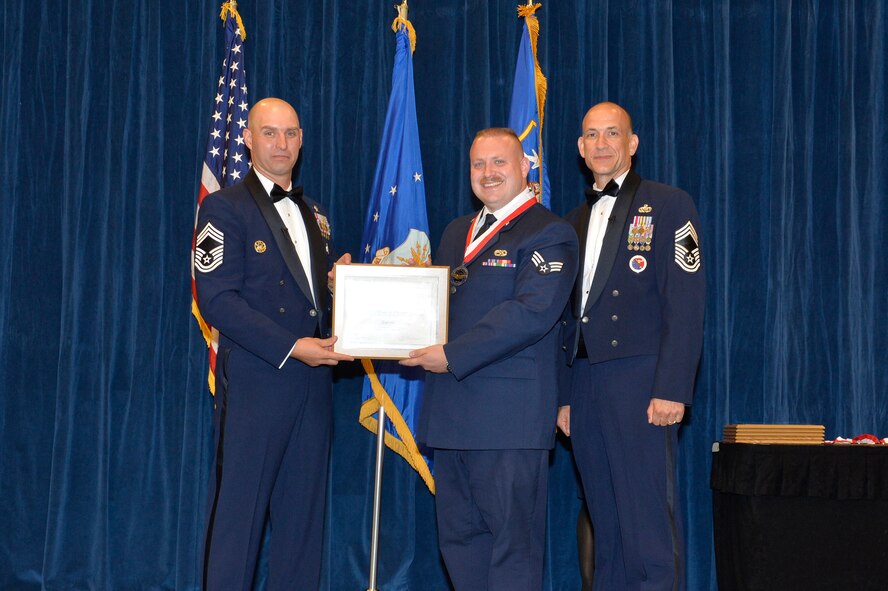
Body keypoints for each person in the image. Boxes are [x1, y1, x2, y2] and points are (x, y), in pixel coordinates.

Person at [401, 128, 578, 591]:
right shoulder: (456, 230)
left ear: (525, 168)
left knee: (512, 550)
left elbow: (530, 314)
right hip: (451, 415)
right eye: (479, 164)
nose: (488, 173)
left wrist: (451, 354)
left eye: (500, 162)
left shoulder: (550, 231)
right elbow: (433, 308)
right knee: (458, 544)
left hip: (509, 421)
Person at [193, 97, 353, 591]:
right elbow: (217, 300)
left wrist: (340, 288)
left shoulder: (315, 214)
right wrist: (292, 346)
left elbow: (308, 298)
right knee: (238, 522)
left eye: (289, 133)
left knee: (303, 524)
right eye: (269, 133)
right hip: (259, 384)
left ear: (301, 139)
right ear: (247, 138)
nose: (280, 144)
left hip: (314, 388)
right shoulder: (223, 207)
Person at [558, 102, 705, 591]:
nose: (601, 144)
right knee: (605, 518)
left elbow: (686, 302)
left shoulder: (668, 204)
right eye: (592, 136)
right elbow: (563, 319)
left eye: (612, 134)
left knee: (646, 523)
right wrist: (562, 396)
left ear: (632, 143)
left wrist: (673, 387)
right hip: (584, 383)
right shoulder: (571, 221)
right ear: (580, 148)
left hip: (641, 382)